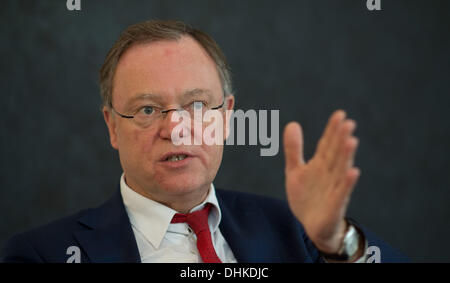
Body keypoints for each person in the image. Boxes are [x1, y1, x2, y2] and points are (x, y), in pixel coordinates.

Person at [1, 20, 407, 263]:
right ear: (111, 126)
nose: (176, 128)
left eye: (196, 105)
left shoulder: (296, 231)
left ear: (227, 117)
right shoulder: (41, 254)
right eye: (147, 110)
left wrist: (337, 242)